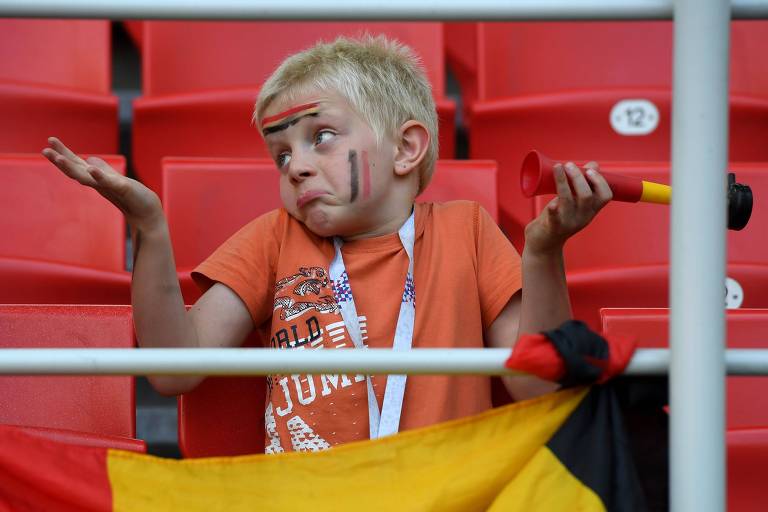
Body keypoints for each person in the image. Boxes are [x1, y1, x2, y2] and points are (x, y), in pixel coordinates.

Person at [42, 35, 612, 454]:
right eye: (282, 155)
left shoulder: (467, 230)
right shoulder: (272, 237)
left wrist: (543, 255)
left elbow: (534, 382)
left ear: (407, 149)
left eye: (321, 137)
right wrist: (149, 227)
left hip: (445, 494)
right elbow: (174, 371)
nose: (296, 167)